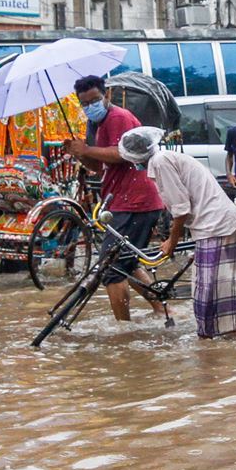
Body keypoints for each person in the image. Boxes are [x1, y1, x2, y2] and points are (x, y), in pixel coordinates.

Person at [119, 127, 236, 340]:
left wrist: (171, 242)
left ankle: (207, 344)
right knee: (230, 284)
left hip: (214, 224)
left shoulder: (160, 162)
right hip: (219, 221)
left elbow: (181, 209)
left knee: (206, 294)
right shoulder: (164, 158)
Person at [63, 75, 166, 322]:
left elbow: (124, 154)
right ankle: (163, 310)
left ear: (106, 95)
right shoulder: (95, 124)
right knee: (126, 262)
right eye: (85, 104)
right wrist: (78, 152)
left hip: (135, 200)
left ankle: (123, 328)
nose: (91, 107)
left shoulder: (118, 117)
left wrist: (86, 149)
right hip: (123, 199)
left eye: (95, 100)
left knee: (111, 269)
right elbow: (99, 166)